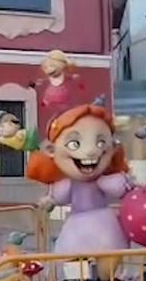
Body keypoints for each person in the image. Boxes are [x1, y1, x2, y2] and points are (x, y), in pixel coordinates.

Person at [26, 104, 134, 259]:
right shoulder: (67, 185)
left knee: (107, 258)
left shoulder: (105, 182)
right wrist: (49, 201)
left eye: (101, 143)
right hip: (76, 227)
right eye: (74, 144)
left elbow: (120, 188)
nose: (91, 151)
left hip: (103, 224)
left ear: (113, 147)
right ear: (51, 150)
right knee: (74, 261)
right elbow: (58, 197)